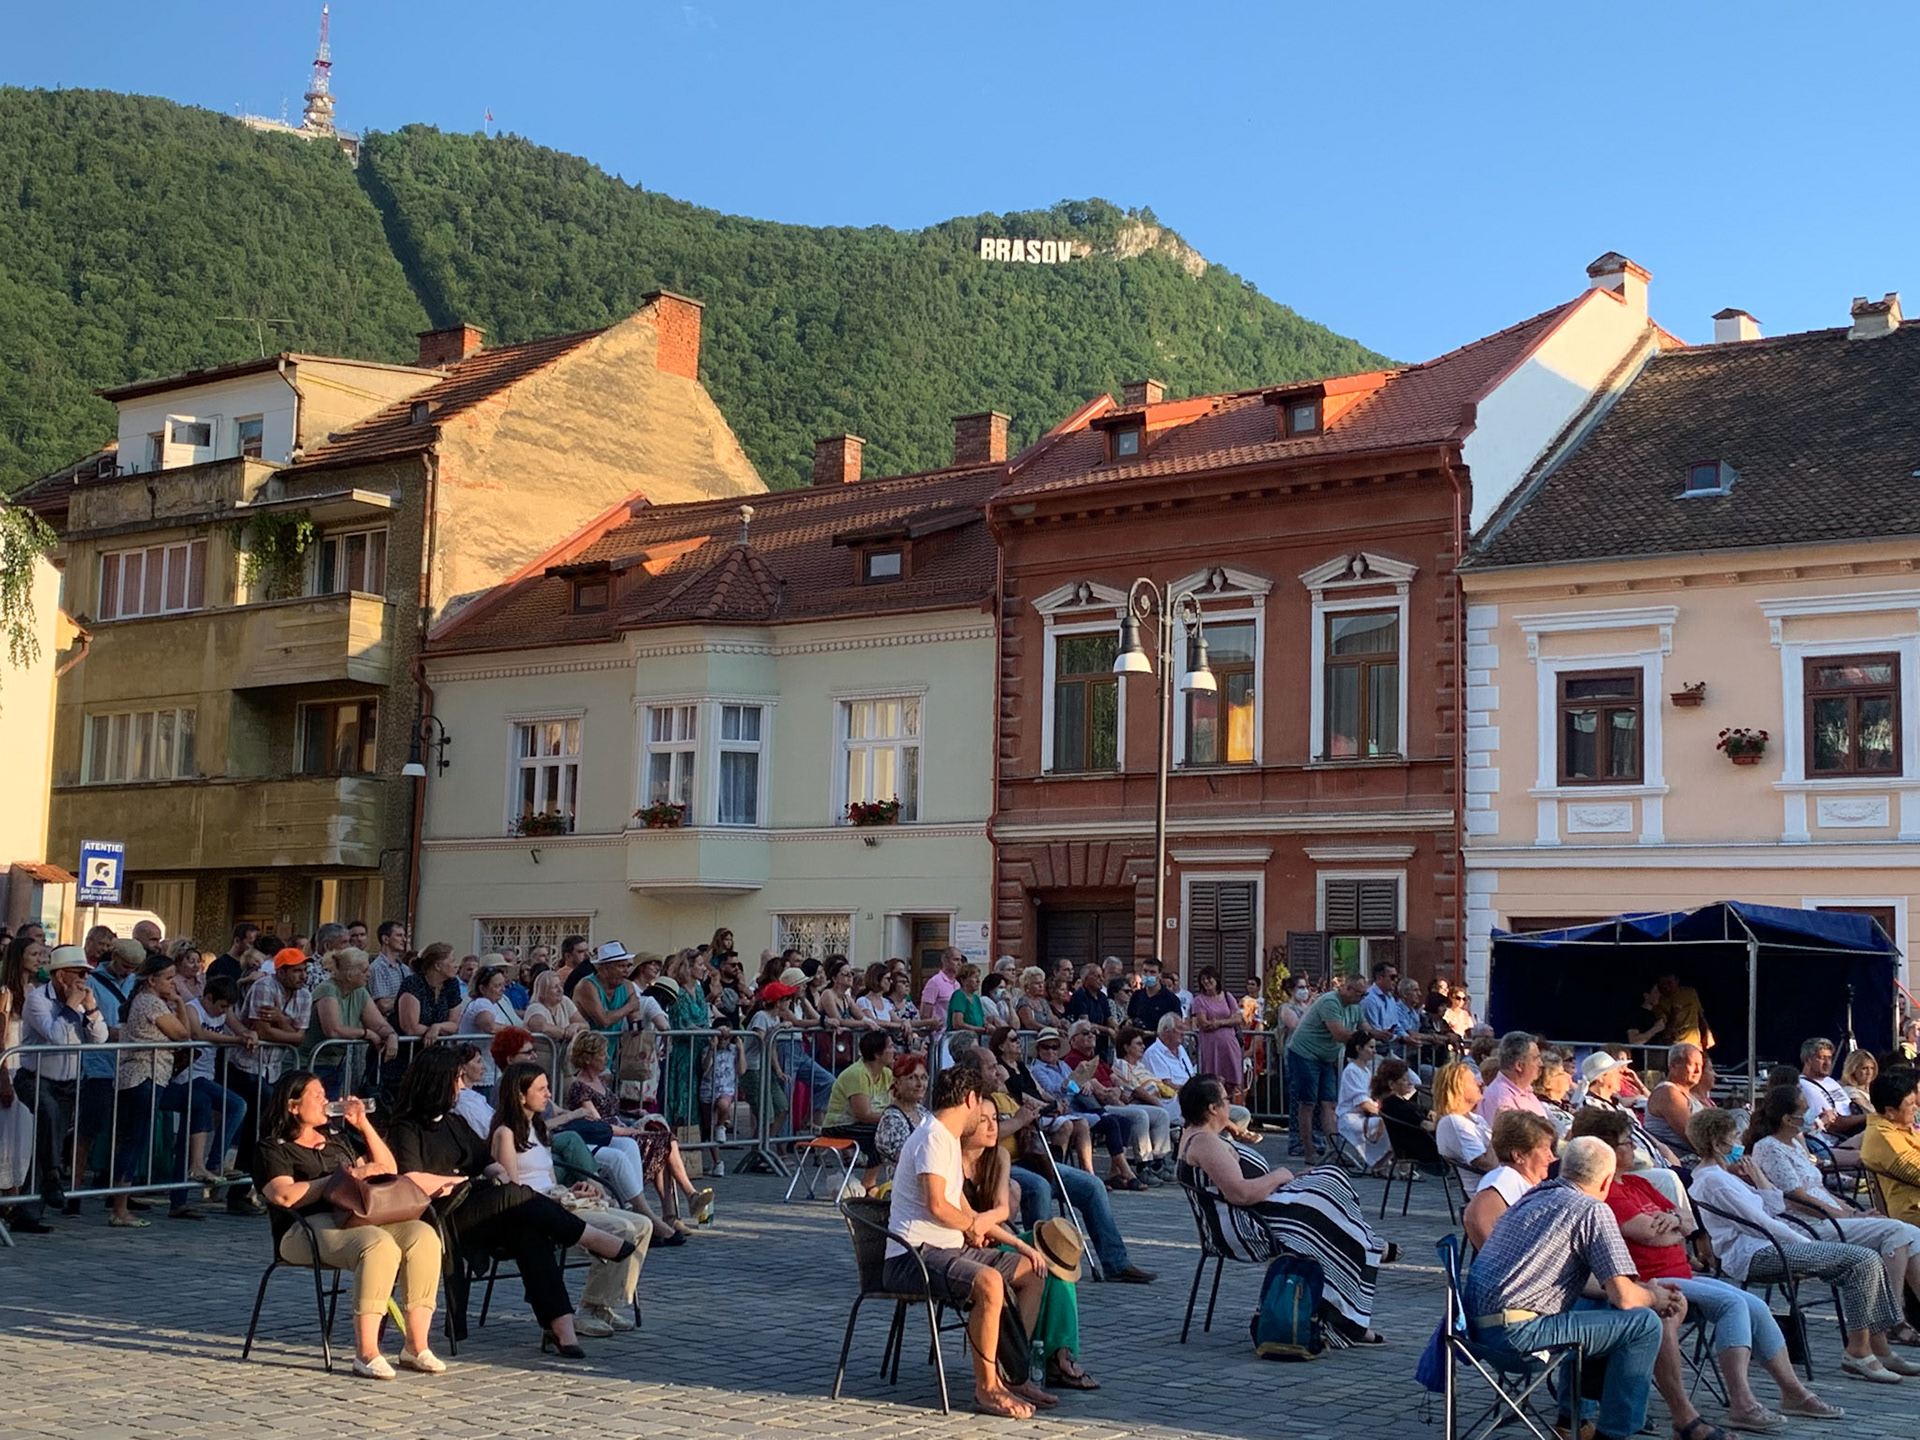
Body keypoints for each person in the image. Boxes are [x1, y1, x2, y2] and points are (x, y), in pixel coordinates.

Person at [1577, 1106, 1845, 1427]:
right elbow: (1652, 1237)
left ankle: (1793, 1392)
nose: (1634, 1146)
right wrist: (1675, 1227)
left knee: (1757, 1305)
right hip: (1652, 1280)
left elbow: (1689, 1222)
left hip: (1682, 1274)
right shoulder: (1611, 1195)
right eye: (1626, 1141)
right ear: (1606, 1149)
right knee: (1733, 1303)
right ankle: (1742, 1403)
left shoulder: (1638, 1184)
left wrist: (1675, 1222)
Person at [387, 1046, 638, 1356]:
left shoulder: (453, 1122)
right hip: (439, 1214)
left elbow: (486, 1162)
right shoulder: (406, 1128)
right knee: (515, 1196)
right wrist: (464, 1181)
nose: (460, 1087)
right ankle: (593, 1239)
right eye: (456, 1080)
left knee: (529, 1233)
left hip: (477, 1207)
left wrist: (496, 1175)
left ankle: (561, 1328)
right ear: (438, 1082)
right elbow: (411, 1180)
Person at [1465, 1135, 1678, 1440]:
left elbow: (1605, 1290)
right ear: (1606, 1181)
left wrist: (1634, 1291)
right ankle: (1615, 1434)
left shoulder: (1533, 1195)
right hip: (1518, 1339)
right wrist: (1654, 1296)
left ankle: (1572, 1422)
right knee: (1643, 1324)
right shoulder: (1592, 1210)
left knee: (1593, 1306)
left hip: (1474, 1334)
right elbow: (1626, 1297)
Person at [1687, 1108, 1914, 1384]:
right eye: (1733, 1137)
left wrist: (1758, 1177)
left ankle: (1879, 1348)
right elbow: (1764, 1223)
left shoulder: (1724, 1175)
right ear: (1717, 1144)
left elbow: (1774, 1208)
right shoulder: (1715, 1180)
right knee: (1863, 1260)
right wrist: (1806, 1243)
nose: (1738, 1143)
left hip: (1767, 1245)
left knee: (1865, 1261)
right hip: (1755, 1254)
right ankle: (1858, 1351)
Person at [254, 1070, 450, 1379]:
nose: (325, 1102)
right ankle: (367, 1352)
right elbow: (285, 1195)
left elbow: (387, 1168)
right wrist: (342, 1181)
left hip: (357, 1217)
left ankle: (416, 1345)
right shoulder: (273, 1147)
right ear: (293, 1106)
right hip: (303, 1228)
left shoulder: (337, 1140)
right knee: (378, 1245)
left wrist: (363, 1125)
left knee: (422, 1236)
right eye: (317, 1097)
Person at [884, 1063, 1053, 1419]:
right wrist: (971, 1227)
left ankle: (1011, 1371)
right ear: (970, 1099)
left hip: (946, 1248)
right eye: (982, 1107)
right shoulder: (932, 1137)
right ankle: (987, 1388)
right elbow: (937, 1205)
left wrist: (1019, 1245)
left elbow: (964, 1210)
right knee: (989, 1283)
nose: (986, 1115)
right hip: (913, 1254)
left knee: (1031, 1271)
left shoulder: (945, 1138)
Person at [1176, 1072, 1387, 1346]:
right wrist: (1280, 1175)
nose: (1230, 1104)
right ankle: (1365, 1261)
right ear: (1212, 1108)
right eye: (1226, 1100)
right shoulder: (1205, 1143)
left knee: (1328, 1180)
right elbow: (1239, 1193)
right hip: (1247, 1227)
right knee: (1324, 1206)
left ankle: (1366, 1248)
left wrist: (1290, 1179)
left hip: (1258, 1212)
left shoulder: (1203, 1136)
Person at [488, 1061, 649, 1336]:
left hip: (557, 1201)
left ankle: (601, 1305)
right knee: (623, 1228)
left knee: (643, 1224)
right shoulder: (506, 1133)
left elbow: (550, 1181)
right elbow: (513, 1191)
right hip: (536, 1211)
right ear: (520, 1095)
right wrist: (556, 1200)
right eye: (541, 1089)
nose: (548, 1094)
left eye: (547, 1087)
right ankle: (588, 1310)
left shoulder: (538, 1129)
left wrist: (574, 1190)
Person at [1746, 1084, 1920, 1328]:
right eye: (1805, 1110)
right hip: (1805, 1226)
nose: (1812, 1116)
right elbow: (1797, 1198)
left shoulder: (1794, 1144)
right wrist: (1846, 1216)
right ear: (1787, 1118)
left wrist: (1854, 1212)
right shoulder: (1768, 1148)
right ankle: (1890, 1319)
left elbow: (1820, 1189)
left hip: (1831, 1218)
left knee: (1912, 1234)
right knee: (1897, 1231)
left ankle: (1899, 1313)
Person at [960, 1108, 1097, 1392]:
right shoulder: (950, 1158)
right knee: (1041, 1262)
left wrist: (990, 1228)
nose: (992, 1127)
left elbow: (1000, 1210)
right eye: (983, 1120)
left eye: (995, 1120)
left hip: (996, 1236)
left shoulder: (999, 1156)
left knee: (1056, 1256)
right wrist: (983, 1229)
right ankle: (1048, 1357)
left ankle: (1056, 1353)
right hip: (963, 1245)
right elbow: (960, 1218)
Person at [564, 1031, 706, 1237]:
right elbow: (599, 1125)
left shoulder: (600, 1081)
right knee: (664, 1142)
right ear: (588, 1058)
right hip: (606, 1137)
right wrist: (634, 1131)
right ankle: (682, 1202)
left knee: (662, 1139)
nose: (607, 1057)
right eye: (602, 1054)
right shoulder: (579, 1087)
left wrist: (632, 1114)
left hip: (619, 1129)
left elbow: (610, 1111)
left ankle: (672, 1214)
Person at [18, 946, 106, 1210]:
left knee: (49, 1140)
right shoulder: (37, 1000)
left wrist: (90, 1009)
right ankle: (52, 1178)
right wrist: (70, 1006)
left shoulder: (81, 1002)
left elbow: (99, 1038)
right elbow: (55, 1037)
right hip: (36, 1077)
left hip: (67, 1082)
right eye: (79, 973)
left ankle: (29, 1211)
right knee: (49, 1117)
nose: (84, 979)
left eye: (86, 973)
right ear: (60, 975)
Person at [1028, 1027, 1141, 1190]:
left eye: (1055, 1047)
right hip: (1064, 1109)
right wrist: (1074, 1079)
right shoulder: (1038, 1069)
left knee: (1122, 1122)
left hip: (1078, 1106)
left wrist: (1084, 1083)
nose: (1051, 1051)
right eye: (1046, 1047)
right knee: (1109, 1123)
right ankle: (1119, 1172)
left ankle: (1112, 1173)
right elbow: (1051, 1090)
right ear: (1038, 1050)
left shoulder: (1062, 1065)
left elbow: (1073, 1087)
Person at [1286, 973, 1372, 1164]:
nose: (1361, 998)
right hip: (1304, 1053)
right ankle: (1309, 1151)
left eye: (1364, 994)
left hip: (1326, 1057)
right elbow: (1339, 1033)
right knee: (1307, 1103)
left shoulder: (1355, 1006)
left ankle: (1335, 1151)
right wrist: (1364, 1039)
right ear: (1347, 989)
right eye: (1359, 994)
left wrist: (1379, 1034)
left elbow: (1365, 1028)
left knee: (1329, 1104)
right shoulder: (1330, 1002)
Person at [307, 947, 400, 1098]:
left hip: (335, 1063)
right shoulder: (327, 989)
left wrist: (391, 1035)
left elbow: (378, 1023)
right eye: (364, 971)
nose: (369, 975)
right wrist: (366, 1033)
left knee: (332, 1111)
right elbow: (333, 1030)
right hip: (310, 1063)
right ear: (350, 974)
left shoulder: (360, 992)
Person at [1461, 1109, 1558, 1251]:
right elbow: (1474, 1218)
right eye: (1544, 1150)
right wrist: (1502, 1258)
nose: (1551, 1157)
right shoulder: (1505, 1179)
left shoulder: (1524, 1181)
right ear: (1518, 1155)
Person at [1581, 1049, 1678, 1170]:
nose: (1620, 1077)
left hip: (1657, 1160)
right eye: (1615, 1072)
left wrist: (1661, 1146)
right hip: (1637, 1166)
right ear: (1601, 1077)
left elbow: (1638, 1129)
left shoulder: (1616, 1104)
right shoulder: (1592, 1107)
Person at [823, 1029, 894, 1187]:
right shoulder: (858, 1074)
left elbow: (896, 1103)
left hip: (867, 1124)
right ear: (877, 1053)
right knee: (882, 1137)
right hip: (839, 1126)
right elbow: (864, 1114)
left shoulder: (887, 1074)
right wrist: (894, 1117)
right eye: (889, 1047)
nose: (893, 1051)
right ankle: (869, 1184)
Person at [1798, 1036, 1868, 1166]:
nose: (1827, 1063)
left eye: (1829, 1058)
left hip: (1852, 1133)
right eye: (1821, 1058)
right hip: (1834, 1142)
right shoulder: (1805, 1086)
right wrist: (1868, 1117)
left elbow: (1849, 1109)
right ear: (1807, 1060)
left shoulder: (1830, 1081)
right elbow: (1835, 1124)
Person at [1863, 1070, 1920, 1225]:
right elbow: (1915, 1170)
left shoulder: (1904, 1127)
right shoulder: (1882, 1136)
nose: (1916, 1108)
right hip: (1912, 1209)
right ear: (1890, 1111)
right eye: (1910, 1104)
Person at [1432, 1059, 1496, 1193]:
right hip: (1487, 1192)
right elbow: (1488, 1164)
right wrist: (1498, 1128)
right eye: (1473, 1081)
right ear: (1458, 1088)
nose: (1480, 1083)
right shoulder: (1453, 1122)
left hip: (1500, 1184)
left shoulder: (1476, 1118)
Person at [1335, 1035, 1390, 1172]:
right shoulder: (1351, 1070)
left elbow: (1371, 1097)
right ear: (1359, 1049)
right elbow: (1362, 1102)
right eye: (1371, 1047)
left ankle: (1380, 1162)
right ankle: (1378, 1164)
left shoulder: (1365, 1070)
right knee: (1390, 1124)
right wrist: (1384, 1114)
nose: (1374, 1051)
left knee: (1392, 1124)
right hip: (1351, 1118)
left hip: (1364, 1116)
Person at [1645, 1042, 1706, 1161]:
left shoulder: (1688, 1095)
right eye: (1693, 1064)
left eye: (1701, 1066)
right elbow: (1693, 1136)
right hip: (1681, 1160)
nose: (1698, 1071)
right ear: (1674, 1066)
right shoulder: (1668, 1093)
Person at [396, 944, 465, 1046]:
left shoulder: (451, 984)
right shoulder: (413, 983)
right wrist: (434, 1030)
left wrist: (437, 1027)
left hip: (435, 1050)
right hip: (404, 1050)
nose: (456, 965)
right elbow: (411, 1028)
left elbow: (454, 1025)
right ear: (437, 966)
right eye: (452, 961)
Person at [1476, 1031, 1548, 1125]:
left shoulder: (1525, 1091)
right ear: (1519, 1066)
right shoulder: (1501, 1100)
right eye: (1536, 1058)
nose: (1541, 1064)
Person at [1187, 965, 1241, 1089]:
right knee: (1212, 1080)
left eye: (1209, 978)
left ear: (1216, 979)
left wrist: (1219, 1023)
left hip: (1229, 1044)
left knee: (1231, 1081)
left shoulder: (1227, 997)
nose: (1206, 982)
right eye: (1203, 980)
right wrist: (1227, 1021)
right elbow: (1204, 1023)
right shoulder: (1199, 1000)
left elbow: (1238, 1019)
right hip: (1210, 1046)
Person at [1628, 973, 1712, 1050]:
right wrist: (1674, 1015)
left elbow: (1700, 1014)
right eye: (1663, 985)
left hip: (1695, 1044)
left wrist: (1707, 1032)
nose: (1666, 988)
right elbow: (1635, 1040)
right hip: (1674, 1047)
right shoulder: (1655, 1007)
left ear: (1677, 981)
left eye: (1669, 983)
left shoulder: (1690, 993)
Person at [523, 968, 588, 1054]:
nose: (560, 990)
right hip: (541, 1057)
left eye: (560, 985)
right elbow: (541, 1027)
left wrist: (576, 1026)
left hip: (562, 1058)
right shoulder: (535, 1007)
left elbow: (585, 1025)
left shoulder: (565, 1001)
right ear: (543, 991)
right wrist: (566, 1033)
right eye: (555, 987)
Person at [1125, 958, 1182, 1036]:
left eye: (1152, 972)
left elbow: (1175, 1026)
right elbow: (1130, 1016)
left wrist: (1153, 1033)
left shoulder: (1171, 999)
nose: (1148, 975)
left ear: (1160, 975)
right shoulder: (1136, 996)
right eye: (1145, 971)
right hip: (1139, 1043)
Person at [367, 921, 409, 1021]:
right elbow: (383, 1005)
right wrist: (410, 1002)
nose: (404, 939)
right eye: (399, 935)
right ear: (385, 939)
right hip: (387, 1025)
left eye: (404, 935)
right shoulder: (377, 968)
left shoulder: (404, 968)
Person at [919, 947, 962, 1044]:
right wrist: (931, 1025)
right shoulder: (935, 982)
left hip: (954, 1036)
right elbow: (924, 1013)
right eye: (955, 960)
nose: (959, 963)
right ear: (945, 961)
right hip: (938, 1037)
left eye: (960, 960)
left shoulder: (957, 984)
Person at [1533, 1050, 1577, 1140]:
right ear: (1547, 1082)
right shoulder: (1545, 1108)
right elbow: (1567, 1134)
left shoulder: (1564, 1104)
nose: (1567, 1076)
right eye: (1561, 1074)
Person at [1840, 1049, 1880, 1114]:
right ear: (1853, 1069)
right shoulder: (1850, 1091)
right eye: (1864, 1068)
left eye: (1872, 1068)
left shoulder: (1874, 1089)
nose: (1869, 1072)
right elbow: (1869, 1112)